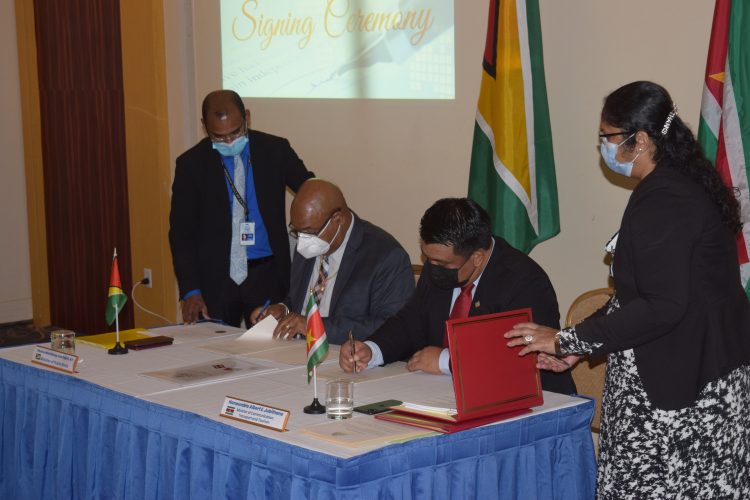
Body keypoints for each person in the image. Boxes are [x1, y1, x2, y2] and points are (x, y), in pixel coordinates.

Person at [506, 81, 750, 498]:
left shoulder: (666, 199)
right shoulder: (675, 185)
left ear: (639, 140)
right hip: (691, 378)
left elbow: (662, 306)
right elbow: (633, 299)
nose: (603, 147)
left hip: (681, 400)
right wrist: (577, 347)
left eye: (608, 137)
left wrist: (565, 337)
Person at [340, 197, 577, 395]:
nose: (432, 267)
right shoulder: (441, 269)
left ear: (477, 257)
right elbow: (410, 321)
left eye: (441, 263)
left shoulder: (524, 281)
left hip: (535, 402)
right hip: (446, 395)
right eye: (427, 258)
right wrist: (372, 349)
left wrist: (447, 361)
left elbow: (519, 354)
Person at [169, 90, 313, 327]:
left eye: (236, 132)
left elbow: (311, 190)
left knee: (270, 350)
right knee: (215, 357)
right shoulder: (191, 165)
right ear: (205, 126)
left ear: (247, 117)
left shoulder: (275, 150)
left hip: (266, 273)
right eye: (219, 137)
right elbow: (181, 233)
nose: (229, 142)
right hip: (215, 278)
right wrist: (190, 290)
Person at [251, 179, 415, 344]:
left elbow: (390, 326)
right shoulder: (308, 243)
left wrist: (314, 325)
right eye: (298, 231)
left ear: (338, 220)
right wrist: (283, 309)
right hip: (296, 350)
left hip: (347, 357)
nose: (303, 240)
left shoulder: (385, 256)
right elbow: (299, 300)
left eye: (310, 232)